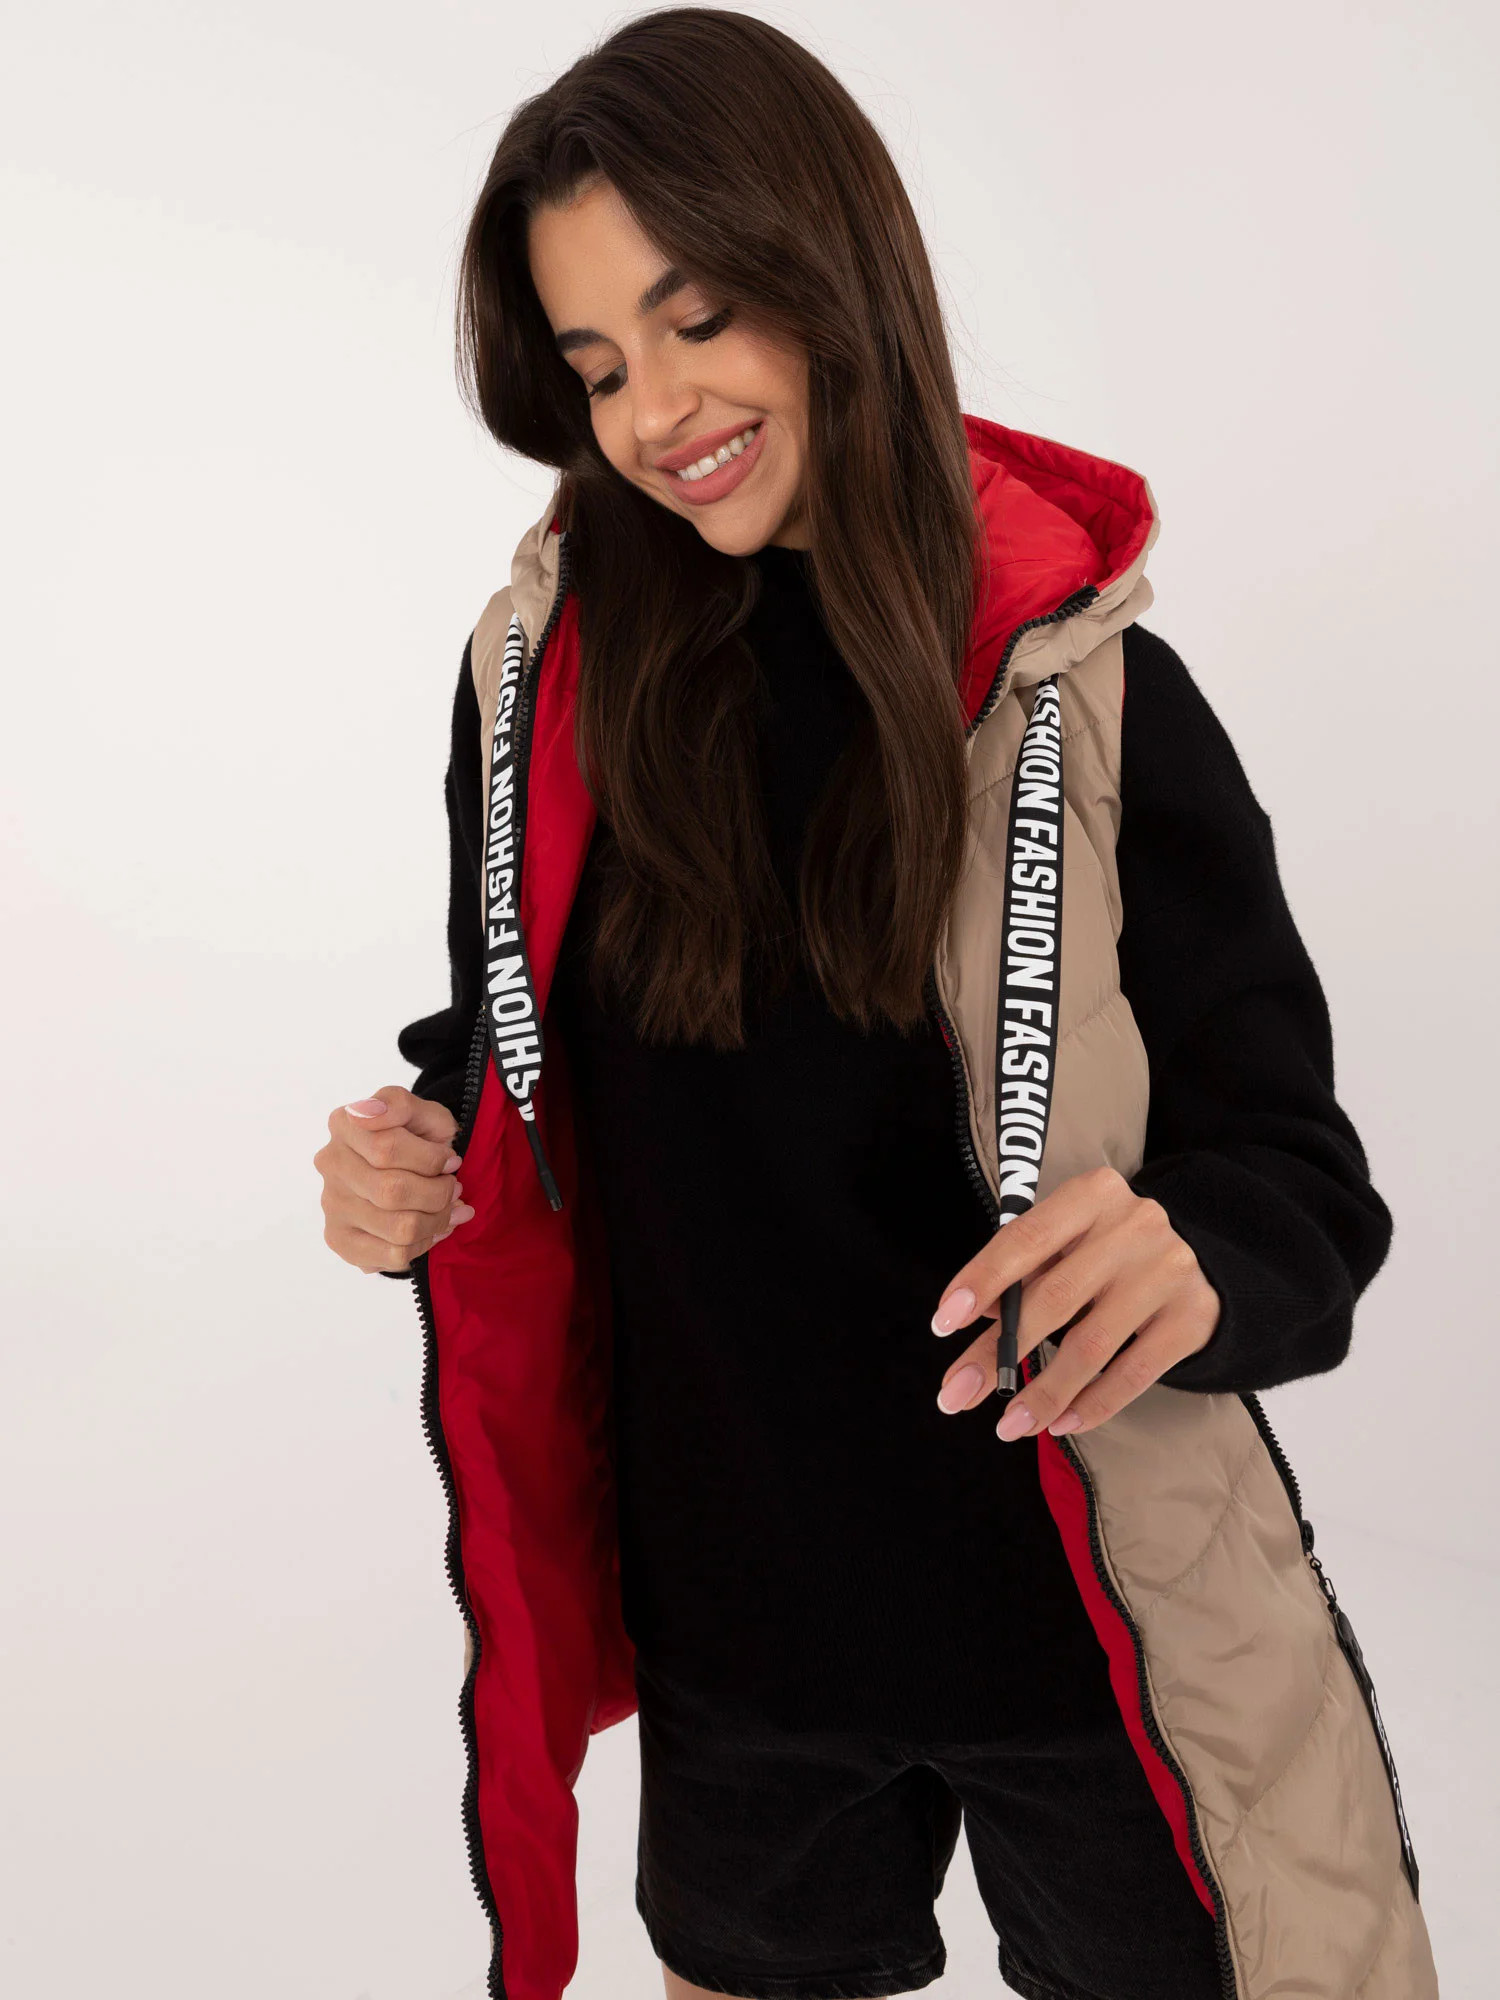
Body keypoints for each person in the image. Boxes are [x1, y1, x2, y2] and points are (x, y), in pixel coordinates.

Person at [311, 12, 1437, 1999]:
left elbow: (1300, 1184)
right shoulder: (545, 693)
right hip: (739, 1651)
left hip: (1101, 1639)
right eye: (598, 365)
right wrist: (418, 1159)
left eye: (698, 317)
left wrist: (1194, 1253)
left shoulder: (1093, 703)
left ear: (831, 266)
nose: (658, 407)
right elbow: (526, 1047)